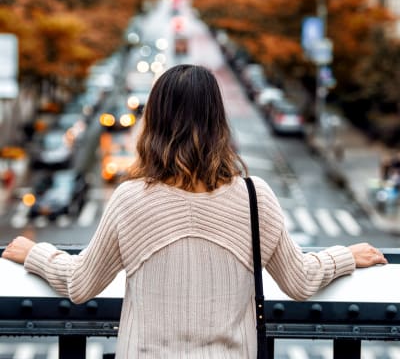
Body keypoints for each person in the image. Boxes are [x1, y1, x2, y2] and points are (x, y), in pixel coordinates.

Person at [2, 64, 387, 358]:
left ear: (153, 122)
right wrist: (345, 256)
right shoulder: (255, 197)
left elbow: (81, 284)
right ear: (219, 122)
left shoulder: (131, 198)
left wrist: (33, 253)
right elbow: (300, 281)